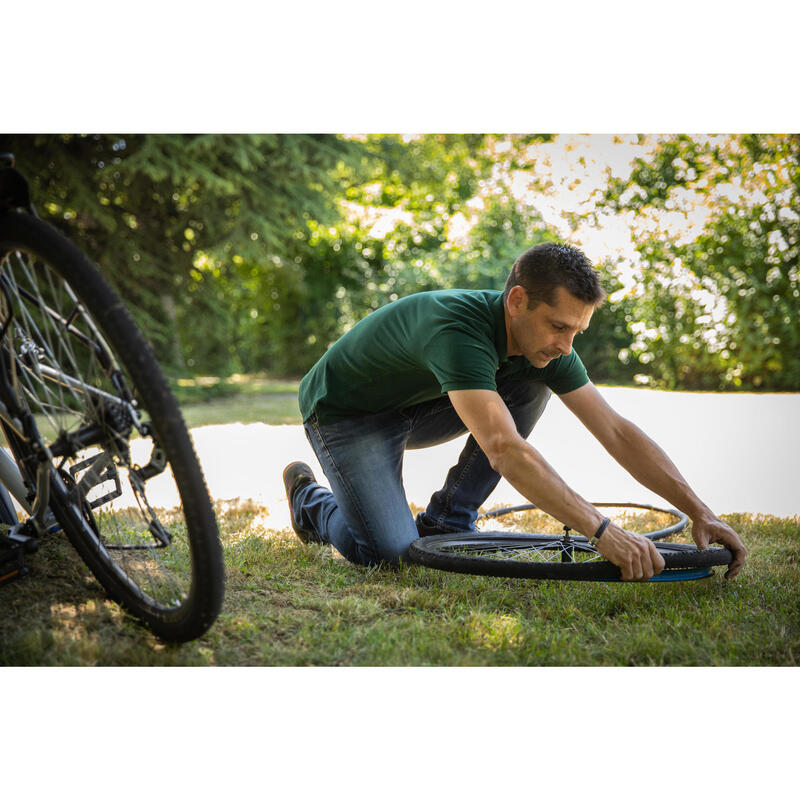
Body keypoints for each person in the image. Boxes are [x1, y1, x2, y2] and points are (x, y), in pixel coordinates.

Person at [283, 242, 747, 581]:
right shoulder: (458, 330)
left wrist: (699, 510)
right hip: (347, 414)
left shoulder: (548, 348)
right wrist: (601, 531)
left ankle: (448, 519)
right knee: (389, 553)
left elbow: (616, 431)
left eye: (577, 332)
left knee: (532, 382)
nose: (566, 345)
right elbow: (504, 448)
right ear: (518, 300)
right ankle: (311, 502)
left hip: (421, 406)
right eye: (558, 326)